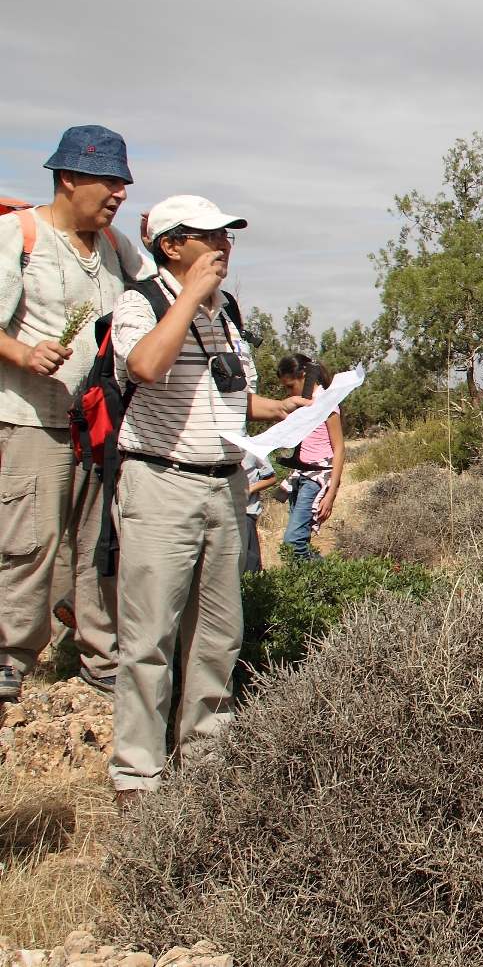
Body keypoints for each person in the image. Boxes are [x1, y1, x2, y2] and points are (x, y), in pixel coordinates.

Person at [109, 195, 308, 803]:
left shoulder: (229, 313)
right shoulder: (139, 303)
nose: (224, 247)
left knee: (219, 634)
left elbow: (226, 389)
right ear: (171, 245)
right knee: (150, 637)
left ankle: (206, 768)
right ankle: (139, 779)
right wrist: (190, 297)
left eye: (229, 237)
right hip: (160, 482)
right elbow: (145, 366)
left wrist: (273, 410)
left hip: (225, 485)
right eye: (210, 236)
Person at [0, 126, 155, 701]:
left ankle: (100, 654)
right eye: (109, 181)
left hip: (101, 424)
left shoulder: (115, 246)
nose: (119, 194)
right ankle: (12, 655)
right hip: (29, 416)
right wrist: (23, 352)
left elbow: (153, 296)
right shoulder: (19, 234)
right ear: (68, 177)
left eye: (124, 183)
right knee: (29, 540)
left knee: (99, 543)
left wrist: (161, 241)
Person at [275, 354, 343, 562]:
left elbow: (339, 449)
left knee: (293, 543)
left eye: (290, 386)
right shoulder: (303, 405)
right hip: (301, 476)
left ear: (304, 376)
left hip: (316, 479)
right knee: (300, 543)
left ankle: (327, 577)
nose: (288, 392)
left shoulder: (327, 403)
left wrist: (330, 495)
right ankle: (312, 588)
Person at [242, 451, 276, 574]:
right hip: (222, 513)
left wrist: (248, 490)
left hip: (246, 513)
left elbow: (271, 478)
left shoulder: (253, 448)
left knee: (249, 566)